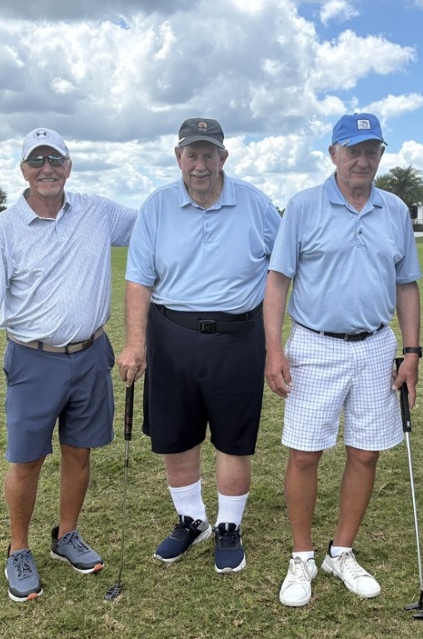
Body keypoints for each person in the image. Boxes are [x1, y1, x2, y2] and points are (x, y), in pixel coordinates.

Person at [0, 128, 136, 602]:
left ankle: (66, 535)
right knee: (27, 460)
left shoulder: (98, 212)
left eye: (55, 159)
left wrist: (199, 184)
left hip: (91, 354)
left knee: (79, 452)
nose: (47, 169)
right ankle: (18, 549)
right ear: (23, 169)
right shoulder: (4, 228)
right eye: (37, 161)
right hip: (32, 359)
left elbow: (157, 223)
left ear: (69, 165)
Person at [264, 112, 422, 608]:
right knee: (304, 453)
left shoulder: (395, 209)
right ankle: (302, 556)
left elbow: (407, 285)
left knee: (366, 452)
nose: (362, 160)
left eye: (372, 150)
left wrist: (412, 351)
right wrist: (273, 348)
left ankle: (341, 552)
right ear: (334, 153)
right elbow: (278, 280)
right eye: (353, 150)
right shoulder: (304, 206)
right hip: (315, 344)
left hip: (375, 345)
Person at [118, 117, 280, 574]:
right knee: (177, 434)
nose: (200, 164)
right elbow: (138, 279)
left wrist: (276, 341)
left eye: (209, 154)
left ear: (223, 157)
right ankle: (192, 520)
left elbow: (282, 266)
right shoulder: (157, 207)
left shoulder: (255, 203)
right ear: (179, 157)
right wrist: (135, 343)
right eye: (192, 154)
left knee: (233, 437)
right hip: (171, 335)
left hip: (238, 335)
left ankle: (228, 525)